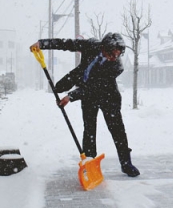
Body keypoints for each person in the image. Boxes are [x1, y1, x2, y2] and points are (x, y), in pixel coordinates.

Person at [30, 33, 140, 177]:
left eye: (117, 55)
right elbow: (66, 43)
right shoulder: (90, 45)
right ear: (103, 47)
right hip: (87, 93)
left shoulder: (117, 67)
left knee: (117, 131)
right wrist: (42, 44)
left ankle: (126, 164)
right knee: (89, 129)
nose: (114, 58)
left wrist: (71, 96)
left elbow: (95, 86)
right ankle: (90, 162)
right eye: (111, 54)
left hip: (107, 97)